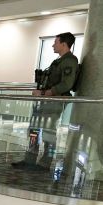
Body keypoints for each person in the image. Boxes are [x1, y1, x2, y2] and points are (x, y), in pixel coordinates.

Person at [14, 32, 80, 170]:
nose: (52, 45)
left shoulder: (69, 61)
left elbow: (66, 84)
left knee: (48, 133)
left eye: (55, 42)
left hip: (54, 101)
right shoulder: (59, 61)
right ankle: (30, 159)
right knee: (34, 130)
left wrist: (44, 93)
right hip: (46, 101)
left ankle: (45, 164)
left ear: (64, 44)